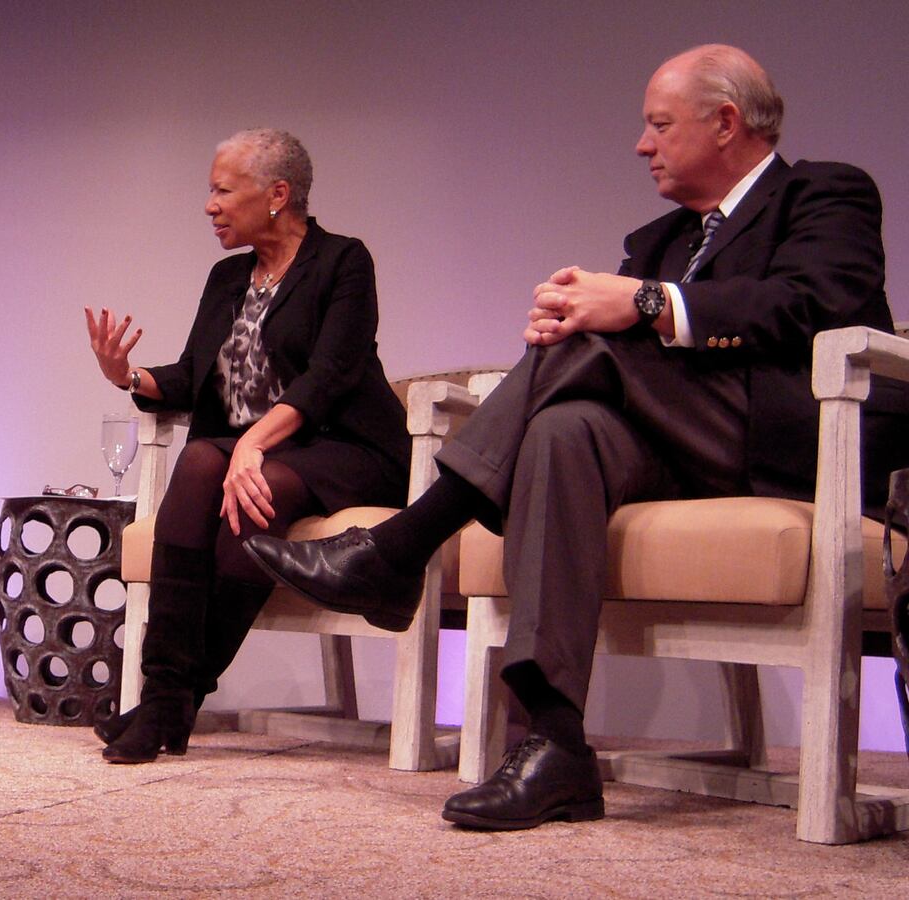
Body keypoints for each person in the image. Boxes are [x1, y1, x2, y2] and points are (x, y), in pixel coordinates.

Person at [246, 45, 909, 827]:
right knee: (563, 429)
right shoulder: (656, 239)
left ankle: (401, 547)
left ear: (726, 122)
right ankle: (557, 745)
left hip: (790, 441)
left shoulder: (825, 194)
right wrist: (567, 323)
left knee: (587, 350)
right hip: (674, 446)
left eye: (659, 125)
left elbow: (818, 305)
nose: (642, 144)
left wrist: (646, 305)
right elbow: (627, 336)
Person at [83, 129, 410, 763]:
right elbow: (195, 372)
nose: (209, 205)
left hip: (345, 450)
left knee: (249, 479)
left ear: (276, 195)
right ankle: (167, 698)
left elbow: (332, 374)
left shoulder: (343, 261)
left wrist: (253, 446)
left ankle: (170, 703)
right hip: (252, 451)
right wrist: (127, 376)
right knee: (206, 456)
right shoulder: (227, 276)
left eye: (222, 190)